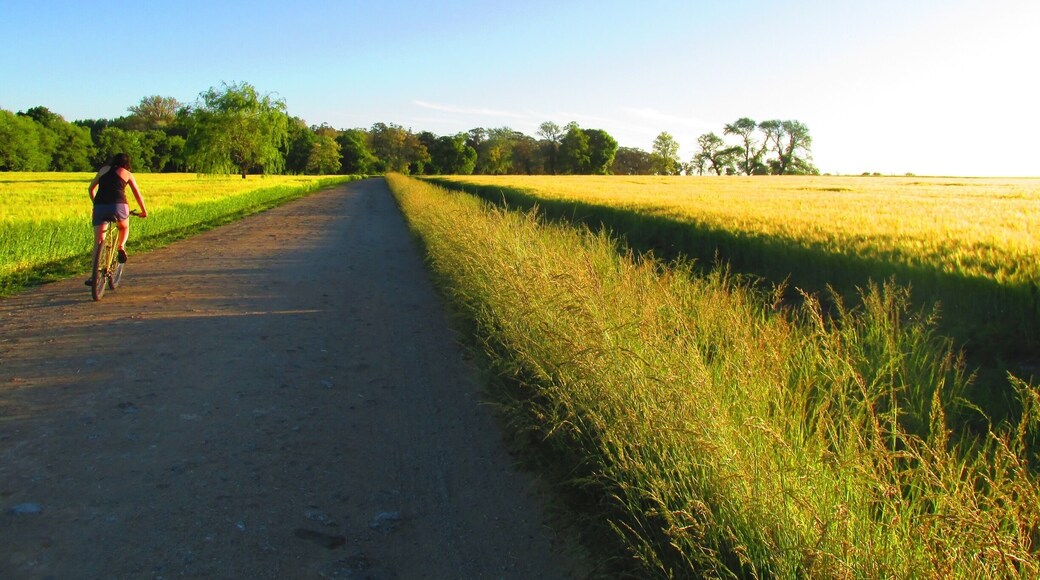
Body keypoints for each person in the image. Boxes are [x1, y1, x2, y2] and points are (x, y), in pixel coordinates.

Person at [87, 153, 148, 266]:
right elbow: (137, 195)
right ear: (127, 163)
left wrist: (96, 203)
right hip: (119, 206)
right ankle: (121, 247)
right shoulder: (127, 174)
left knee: (98, 241)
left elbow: (91, 189)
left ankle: (94, 272)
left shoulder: (103, 170)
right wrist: (144, 210)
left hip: (100, 206)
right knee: (124, 227)